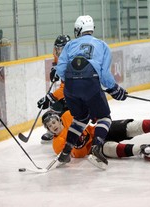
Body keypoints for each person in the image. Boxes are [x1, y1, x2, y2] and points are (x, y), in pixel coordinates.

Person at [55, 15, 128, 169]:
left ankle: (66, 152)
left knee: (80, 118)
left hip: (70, 86)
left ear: (78, 30)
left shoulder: (70, 45)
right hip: (90, 83)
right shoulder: (102, 46)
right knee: (104, 117)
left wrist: (75, 81)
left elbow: (61, 70)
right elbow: (104, 74)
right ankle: (96, 149)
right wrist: (114, 89)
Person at [41, 110, 150, 169]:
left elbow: (85, 113)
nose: (53, 126)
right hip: (93, 149)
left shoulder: (67, 116)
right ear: (48, 129)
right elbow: (71, 157)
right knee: (111, 148)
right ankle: (141, 149)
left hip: (99, 131)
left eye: (54, 122)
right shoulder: (57, 144)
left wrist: (93, 115)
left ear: (59, 120)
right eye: (49, 126)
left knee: (128, 127)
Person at [37, 34, 71, 144]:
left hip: (79, 96)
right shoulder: (59, 56)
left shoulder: (73, 60)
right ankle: (56, 131)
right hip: (69, 92)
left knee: (66, 106)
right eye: (58, 49)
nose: (59, 52)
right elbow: (55, 69)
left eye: (62, 49)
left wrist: (51, 97)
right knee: (55, 107)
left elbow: (67, 88)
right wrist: (54, 71)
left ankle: (69, 129)